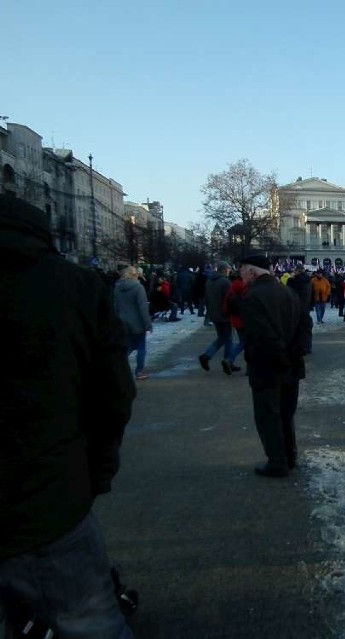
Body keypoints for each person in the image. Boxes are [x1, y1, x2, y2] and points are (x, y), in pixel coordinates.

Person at [0, 194, 136, 637]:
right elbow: (112, 393)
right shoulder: (71, 284)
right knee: (90, 621)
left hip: (41, 491)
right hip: (44, 494)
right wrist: (95, 472)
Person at [240, 255, 311, 477]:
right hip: (291, 364)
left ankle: (278, 461)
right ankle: (289, 456)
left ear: (251, 271)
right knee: (285, 413)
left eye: (242, 271)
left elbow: (263, 335)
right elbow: (305, 324)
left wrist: (282, 356)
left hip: (268, 366)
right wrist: (297, 352)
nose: (240, 275)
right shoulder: (287, 291)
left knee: (268, 415)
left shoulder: (252, 297)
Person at [114, 265, 154, 380]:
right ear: (135, 275)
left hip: (123, 321)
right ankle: (139, 371)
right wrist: (148, 323)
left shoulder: (117, 287)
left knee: (129, 346)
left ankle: (118, 367)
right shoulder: (138, 287)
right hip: (137, 322)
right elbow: (143, 308)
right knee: (141, 347)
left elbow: (115, 306)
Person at [198, 261, 233, 371]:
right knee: (228, 339)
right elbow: (230, 299)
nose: (229, 272)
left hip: (214, 313)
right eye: (228, 269)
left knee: (222, 338)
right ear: (223, 269)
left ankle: (207, 356)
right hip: (224, 314)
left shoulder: (209, 281)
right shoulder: (225, 282)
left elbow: (207, 299)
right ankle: (228, 361)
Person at [222, 273, 248, 375]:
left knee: (243, 342)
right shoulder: (247, 287)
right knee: (248, 344)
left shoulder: (232, 287)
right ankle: (230, 359)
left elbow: (225, 305)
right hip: (246, 320)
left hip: (235, 319)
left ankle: (229, 359)